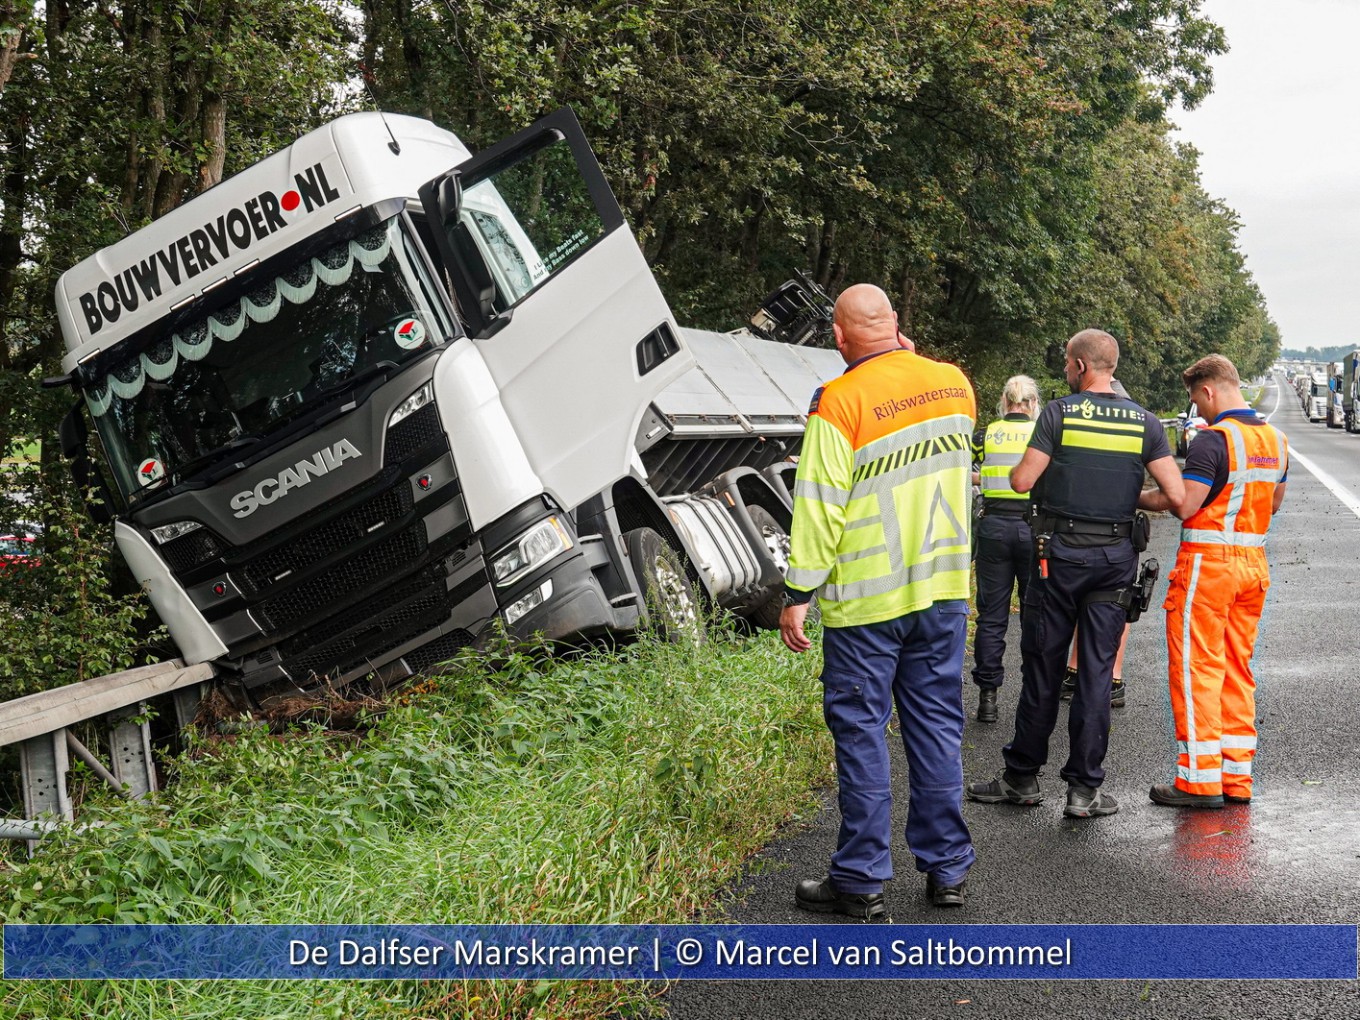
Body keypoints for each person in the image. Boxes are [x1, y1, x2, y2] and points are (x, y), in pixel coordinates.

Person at [780, 283, 977, 913]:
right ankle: (947, 870)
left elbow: (818, 507)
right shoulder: (956, 385)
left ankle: (860, 881)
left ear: (839, 339)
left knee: (863, 735)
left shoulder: (838, 402)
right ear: (897, 324)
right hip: (943, 592)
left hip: (867, 605)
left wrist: (797, 592)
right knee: (936, 727)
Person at [965, 329, 1184, 818]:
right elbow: (1176, 498)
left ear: (1082, 367)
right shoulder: (1145, 423)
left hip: (1057, 557)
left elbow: (1021, 480)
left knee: (1043, 666)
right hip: (1113, 562)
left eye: (1067, 362)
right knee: (1096, 673)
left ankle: (1022, 780)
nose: (1066, 370)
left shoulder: (1059, 414)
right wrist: (1130, 500)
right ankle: (1084, 790)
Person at [1137, 354, 1286, 808]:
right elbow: (1274, 503)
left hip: (1208, 568)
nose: (1197, 410)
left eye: (1195, 401)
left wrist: (1136, 497)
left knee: (1197, 668)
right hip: (1253, 565)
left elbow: (1184, 503)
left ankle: (1199, 782)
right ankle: (1236, 778)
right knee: (1237, 670)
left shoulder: (1212, 441)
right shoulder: (1275, 440)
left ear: (1209, 391)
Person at [970, 375, 1040, 723]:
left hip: (994, 528)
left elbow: (970, 472)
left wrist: (988, 477)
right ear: (1032, 403)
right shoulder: (1041, 435)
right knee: (1035, 614)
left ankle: (987, 698)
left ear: (1004, 400)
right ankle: (1033, 694)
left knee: (992, 616)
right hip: (1032, 529)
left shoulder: (985, 435)